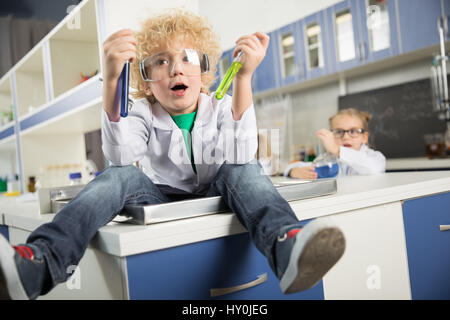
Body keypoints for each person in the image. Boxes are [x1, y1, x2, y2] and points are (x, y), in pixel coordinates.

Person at [0, 9, 345, 300]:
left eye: (188, 59)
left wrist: (244, 78)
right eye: (161, 62)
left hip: (218, 193)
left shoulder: (222, 105)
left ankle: (287, 249)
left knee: (242, 168)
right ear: (147, 80)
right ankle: (40, 263)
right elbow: (120, 156)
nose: (176, 69)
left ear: (204, 72)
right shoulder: (142, 112)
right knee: (119, 175)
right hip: (159, 202)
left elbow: (242, 152)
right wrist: (109, 83)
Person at [285, 108, 386, 179]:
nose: (346, 137)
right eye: (339, 132)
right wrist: (294, 171)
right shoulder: (328, 159)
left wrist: (337, 150)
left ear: (364, 137)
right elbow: (296, 166)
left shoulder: (374, 157)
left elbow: (374, 167)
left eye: (353, 131)